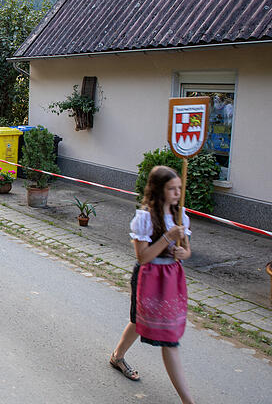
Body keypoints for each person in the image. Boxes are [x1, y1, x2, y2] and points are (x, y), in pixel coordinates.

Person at [109, 165, 193, 404]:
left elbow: (187, 251)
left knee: (140, 322)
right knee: (162, 334)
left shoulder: (180, 216)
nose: (177, 193)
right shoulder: (145, 218)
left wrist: (181, 250)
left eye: (179, 188)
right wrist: (168, 237)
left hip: (171, 279)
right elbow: (142, 257)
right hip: (148, 277)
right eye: (171, 188)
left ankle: (117, 356)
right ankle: (188, 400)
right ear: (158, 190)